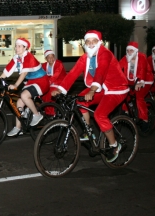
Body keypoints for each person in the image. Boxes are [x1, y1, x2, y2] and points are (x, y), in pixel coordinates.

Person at [51, 30, 129, 163]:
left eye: (94, 41)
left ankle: (114, 145)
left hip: (116, 88)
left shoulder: (105, 54)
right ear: (84, 43)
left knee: (100, 115)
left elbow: (101, 72)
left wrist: (92, 90)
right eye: (88, 41)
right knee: (79, 102)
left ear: (100, 42)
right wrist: (60, 89)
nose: (91, 44)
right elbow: (73, 73)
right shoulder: (86, 57)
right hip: (101, 88)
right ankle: (88, 131)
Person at [0, 38, 50, 136]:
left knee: (24, 95)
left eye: (19, 46)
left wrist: (16, 85)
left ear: (25, 47)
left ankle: (37, 115)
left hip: (42, 81)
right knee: (19, 101)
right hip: (31, 81)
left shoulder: (29, 57)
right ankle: (18, 127)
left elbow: (24, 73)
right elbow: (6, 72)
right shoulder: (17, 58)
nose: (16, 48)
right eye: (16, 46)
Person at [119, 42, 154, 132]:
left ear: (135, 51)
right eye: (128, 50)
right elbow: (117, 68)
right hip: (133, 80)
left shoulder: (142, 57)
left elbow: (142, 70)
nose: (129, 52)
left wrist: (140, 82)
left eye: (131, 50)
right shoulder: (125, 58)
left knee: (139, 97)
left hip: (146, 79)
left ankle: (145, 120)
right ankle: (126, 112)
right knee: (124, 92)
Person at [41, 50, 67, 115]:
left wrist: (48, 82)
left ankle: (53, 112)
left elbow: (56, 75)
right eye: (48, 57)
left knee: (50, 94)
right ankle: (48, 112)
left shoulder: (58, 63)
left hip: (60, 83)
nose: (51, 59)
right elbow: (41, 75)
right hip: (50, 83)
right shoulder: (44, 65)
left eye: (52, 57)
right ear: (46, 58)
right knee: (43, 94)